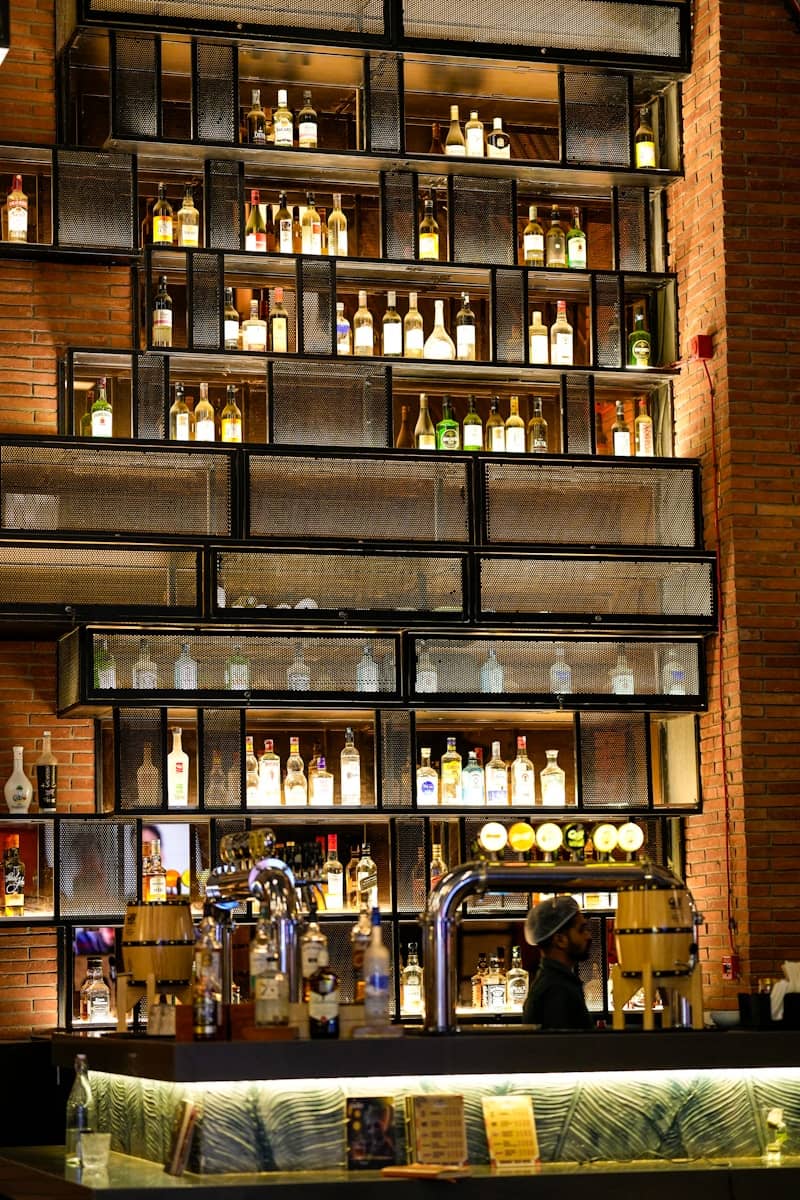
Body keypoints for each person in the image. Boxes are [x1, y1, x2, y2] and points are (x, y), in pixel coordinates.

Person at [522, 895, 594, 1030]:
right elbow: (564, 1049)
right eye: (581, 930)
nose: (588, 936)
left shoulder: (556, 981)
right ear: (560, 940)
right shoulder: (557, 989)